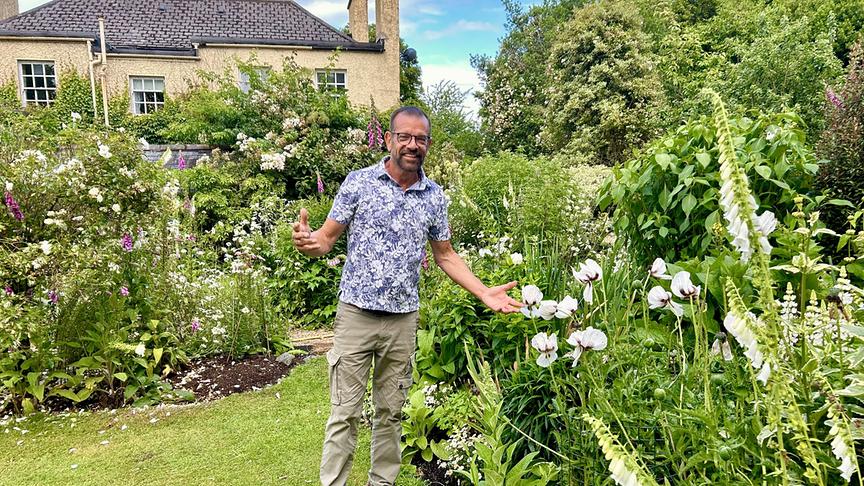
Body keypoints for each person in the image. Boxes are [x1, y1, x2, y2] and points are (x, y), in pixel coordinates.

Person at [292, 106, 522, 486]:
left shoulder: (434, 197)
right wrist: (308, 242)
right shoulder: (359, 182)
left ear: (428, 144)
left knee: (391, 412)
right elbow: (326, 239)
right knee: (344, 412)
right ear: (389, 140)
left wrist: (483, 292)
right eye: (405, 137)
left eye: (420, 139)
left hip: (402, 320)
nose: (413, 145)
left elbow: (444, 254)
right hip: (356, 315)